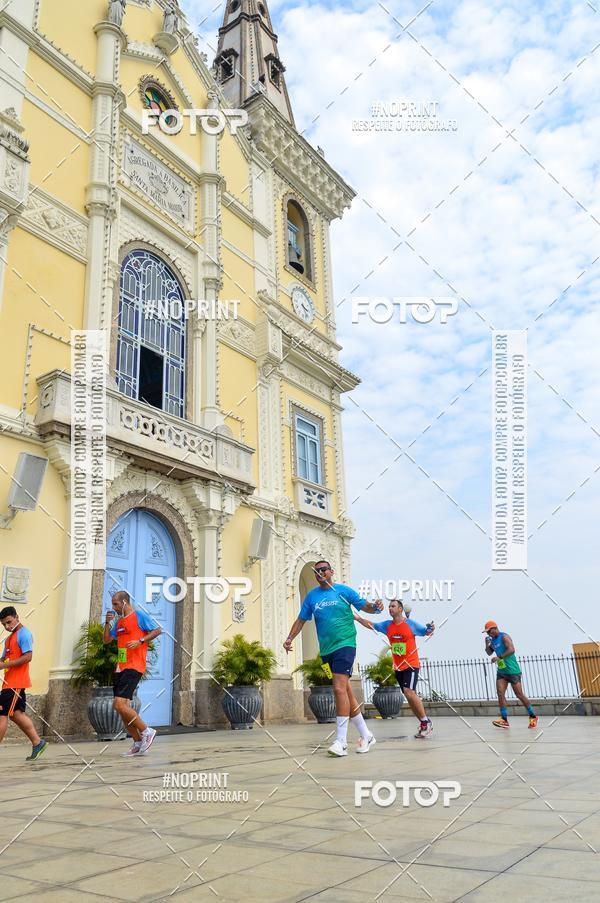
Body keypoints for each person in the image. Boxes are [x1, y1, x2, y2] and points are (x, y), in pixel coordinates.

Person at [283, 561, 383, 757]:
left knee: (338, 689)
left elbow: (365, 606)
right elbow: (301, 620)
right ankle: (366, 734)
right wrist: (289, 638)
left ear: (331, 572)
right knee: (345, 691)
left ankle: (341, 741)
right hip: (326, 650)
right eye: (316, 571)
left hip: (345, 645)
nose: (320, 572)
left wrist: (376, 607)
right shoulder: (312, 597)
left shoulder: (343, 591)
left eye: (323, 569)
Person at [357, 599, 435, 738]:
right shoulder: (387, 625)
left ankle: (426, 722)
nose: (390, 608)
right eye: (389, 607)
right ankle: (424, 722)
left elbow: (426, 632)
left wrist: (430, 628)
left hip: (411, 664)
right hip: (398, 667)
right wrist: (357, 618)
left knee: (409, 692)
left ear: (400, 609)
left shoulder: (410, 624)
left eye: (393, 606)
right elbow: (371, 625)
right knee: (409, 696)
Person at [104, 591, 162, 756]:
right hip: (121, 667)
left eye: (116, 604)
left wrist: (140, 641)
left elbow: (157, 630)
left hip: (134, 666)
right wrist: (107, 623)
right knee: (121, 708)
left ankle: (146, 731)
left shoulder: (139, 616)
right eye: (113, 604)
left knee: (119, 705)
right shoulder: (119, 621)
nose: (114, 607)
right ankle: (137, 743)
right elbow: (106, 640)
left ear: (124, 602)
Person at [0, 606, 48, 761]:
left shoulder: (24, 634)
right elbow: (3, 659)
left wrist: (4, 665)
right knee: (16, 715)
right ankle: (38, 743)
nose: (7, 626)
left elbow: (28, 657)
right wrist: (2, 663)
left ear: (17, 617)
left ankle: (38, 742)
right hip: (9, 683)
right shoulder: (9, 639)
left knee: (2, 715)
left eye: (9, 622)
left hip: (16, 683)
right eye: (4, 624)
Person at [483, 620, 538, 729]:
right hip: (502, 670)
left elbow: (512, 650)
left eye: (489, 631)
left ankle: (533, 716)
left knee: (519, 694)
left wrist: (499, 657)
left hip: (513, 670)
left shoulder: (504, 637)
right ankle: (504, 719)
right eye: (487, 632)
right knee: (500, 693)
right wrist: (487, 644)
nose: (488, 634)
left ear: (495, 628)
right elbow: (489, 653)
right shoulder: (492, 640)